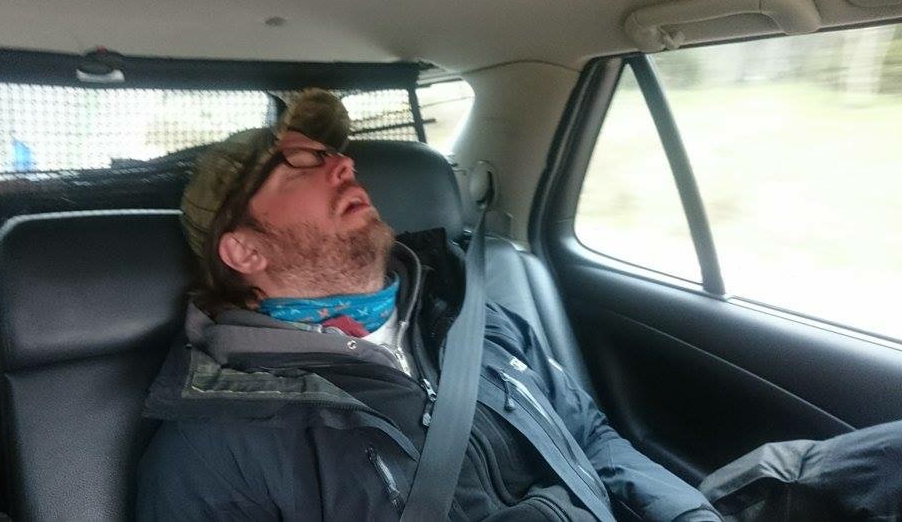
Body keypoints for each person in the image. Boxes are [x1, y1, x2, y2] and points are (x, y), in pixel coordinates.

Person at [136, 89, 722, 521]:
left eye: (333, 153)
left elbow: (589, 437)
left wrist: (687, 513)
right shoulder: (216, 444)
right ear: (245, 250)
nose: (344, 163)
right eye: (300, 166)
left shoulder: (470, 315)